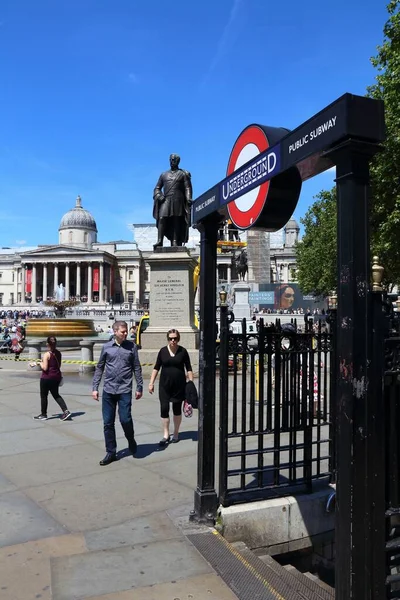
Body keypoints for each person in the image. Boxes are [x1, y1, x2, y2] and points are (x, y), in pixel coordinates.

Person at [92, 320, 143, 466]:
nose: (126, 333)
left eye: (126, 331)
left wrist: (139, 386)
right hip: (108, 390)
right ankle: (111, 452)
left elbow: (137, 367)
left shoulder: (131, 347)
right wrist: (95, 387)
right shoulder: (107, 347)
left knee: (125, 419)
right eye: (123, 331)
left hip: (124, 390)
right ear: (115, 332)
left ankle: (130, 439)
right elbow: (100, 367)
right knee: (108, 423)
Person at [148, 328, 193, 446]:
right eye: (170, 339)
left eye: (175, 338)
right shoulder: (162, 351)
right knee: (164, 408)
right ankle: (166, 434)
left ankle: (176, 433)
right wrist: (151, 383)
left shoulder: (183, 351)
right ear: (167, 339)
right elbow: (156, 367)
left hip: (179, 386)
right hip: (164, 385)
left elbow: (188, 368)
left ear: (178, 339)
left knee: (177, 410)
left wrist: (191, 384)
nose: (173, 341)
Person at [153, 154, 192, 249]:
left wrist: (188, 198)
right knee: (162, 218)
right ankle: (160, 240)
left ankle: (174, 240)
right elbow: (157, 188)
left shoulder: (183, 174)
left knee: (176, 220)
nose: (172, 161)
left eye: (174, 160)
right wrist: (159, 195)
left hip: (178, 199)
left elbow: (187, 188)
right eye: (171, 159)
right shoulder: (163, 175)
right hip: (166, 199)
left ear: (178, 161)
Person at [31, 336, 71, 421]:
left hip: (46, 378)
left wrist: (38, 363)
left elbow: (45, 368)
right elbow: (59, 366)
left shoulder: (47, 354)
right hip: (56, 377)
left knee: (44, 396)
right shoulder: (58, 353)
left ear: (47, 344)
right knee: (56, 395)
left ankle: (43, 414)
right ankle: (66, 411)